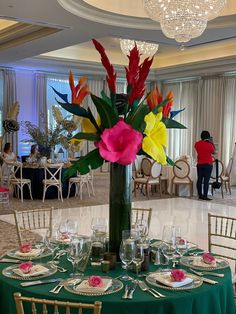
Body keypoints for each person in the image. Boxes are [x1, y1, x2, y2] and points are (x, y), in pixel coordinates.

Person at [194, 131, 215, 200]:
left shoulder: (197, 144)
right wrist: (211, 142)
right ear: (208, 137)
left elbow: (197, 147)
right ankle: (205, 196)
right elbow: (213, 152)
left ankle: (200, 195)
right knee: (206, 181)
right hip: (208, 165)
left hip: (199, 164)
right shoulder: (210, 145)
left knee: (199, 180)